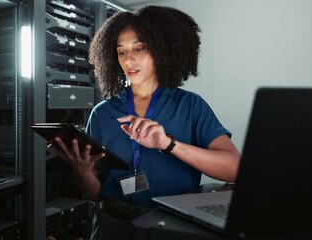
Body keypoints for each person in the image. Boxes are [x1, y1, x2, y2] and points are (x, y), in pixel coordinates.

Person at [49, 5, 241, 238]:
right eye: (121, 52)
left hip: (171, 227)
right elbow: (96, 193)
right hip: (113, 224)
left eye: (139, 48)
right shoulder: (102, 113)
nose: (129, 59)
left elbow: (234, 170)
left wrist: (168, 144)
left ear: (162, 49)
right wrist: (84, 174)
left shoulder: (190, 106)